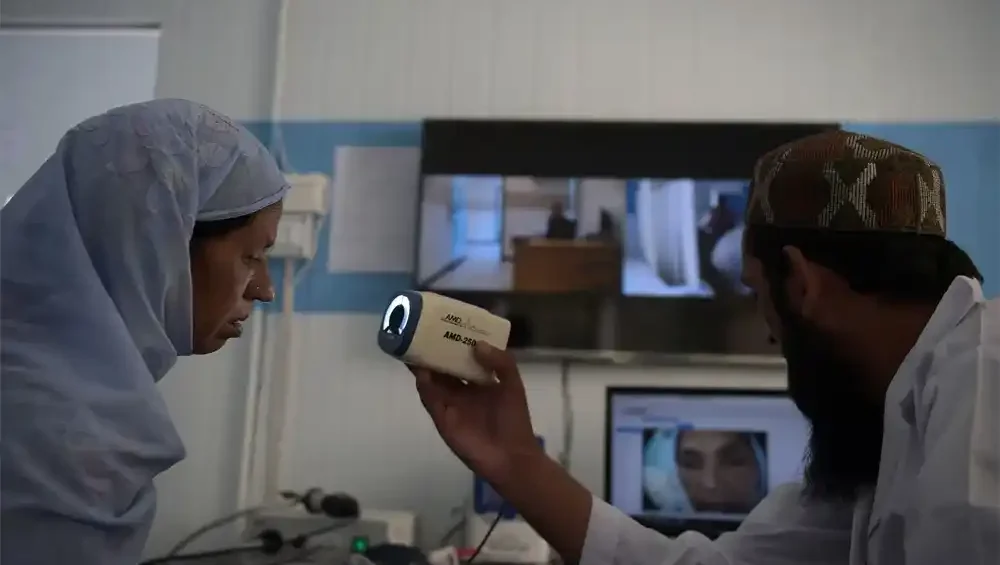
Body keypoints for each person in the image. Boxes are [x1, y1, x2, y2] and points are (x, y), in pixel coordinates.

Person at [410, 130, 999, 565]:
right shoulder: (883, 431)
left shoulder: (984, 380)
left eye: (754, 291)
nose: (770, 332)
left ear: (800, 283)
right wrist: (515, 461)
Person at [0, 99, 289, 564]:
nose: (265, 290)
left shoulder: (41, 379)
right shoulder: (64, 432)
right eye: (251, 256)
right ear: (163, 246)